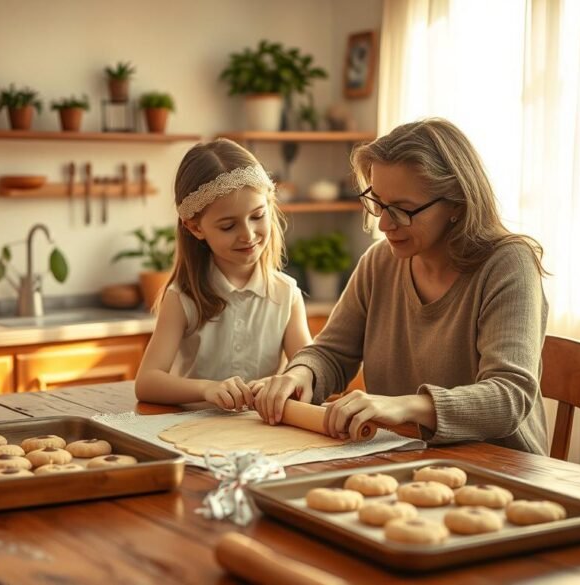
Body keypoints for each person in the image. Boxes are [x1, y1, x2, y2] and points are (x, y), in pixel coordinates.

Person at [255, 118, 551, 455]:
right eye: (378, 202)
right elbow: (331, 353)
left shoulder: (508, 264)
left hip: (503, 468)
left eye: (403, 209)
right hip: (404, 454)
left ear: (456, 203)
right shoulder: (380, 262)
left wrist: (407, 406)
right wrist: (301, 373)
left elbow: (509, 396)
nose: (383, 223)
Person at [134, 138, 312, 410]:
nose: (248, 235)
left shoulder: (286, 294)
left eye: (257, 216)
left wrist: (284, 384)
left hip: (265, 437)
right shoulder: (182, 298)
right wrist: (208, 388)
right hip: (193, 436)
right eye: (228, 226)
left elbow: (308, 374)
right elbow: (147, 382)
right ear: (195, 228)